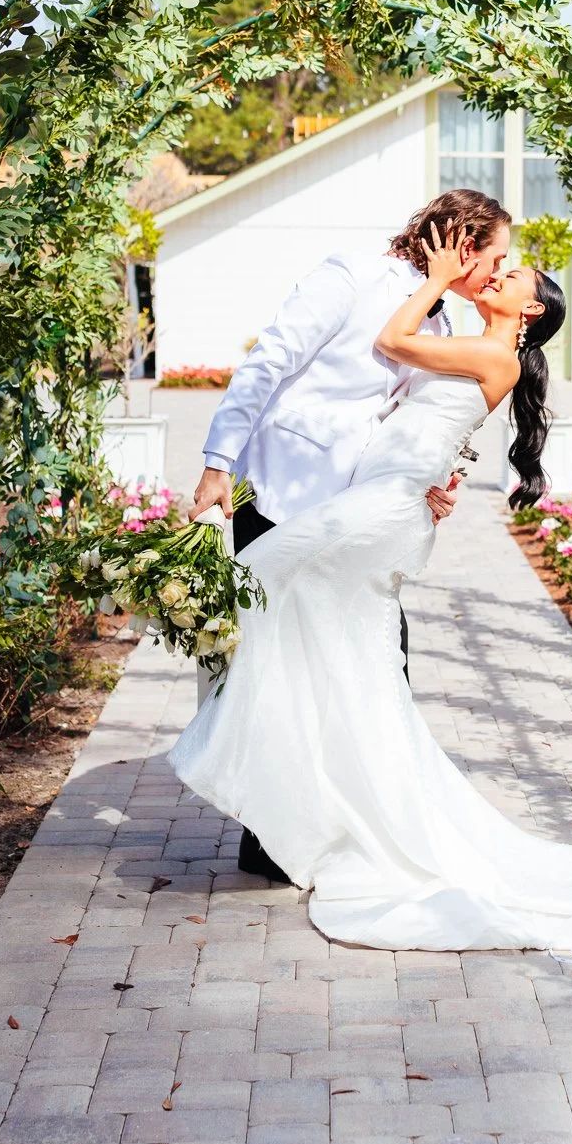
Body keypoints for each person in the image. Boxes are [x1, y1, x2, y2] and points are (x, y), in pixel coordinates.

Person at [170, 222, 572, 954]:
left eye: (510, 274)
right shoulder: (465, 334)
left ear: (527, 312)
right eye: (496, 260)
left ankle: (306, 806)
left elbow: (395, 343)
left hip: (377, 509)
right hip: (376, 498)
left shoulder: (489, 350)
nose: (497, 273)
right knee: (337, 659)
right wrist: (439, 475)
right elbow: (406, 410)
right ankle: (315, 815)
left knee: (271, 607)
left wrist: (432, 278)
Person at [189, 188, 512, 879]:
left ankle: (331, 819)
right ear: (461, 242)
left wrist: (432, 479)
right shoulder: (350, 276)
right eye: (496, 255)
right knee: (273, 663)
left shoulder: (446, 312)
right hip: (278, 489)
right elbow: (267, 364)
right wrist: (219, 463)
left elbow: (418, 418)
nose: (497, 271)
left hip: (358, 507)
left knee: (355, 661)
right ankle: (270, 836)